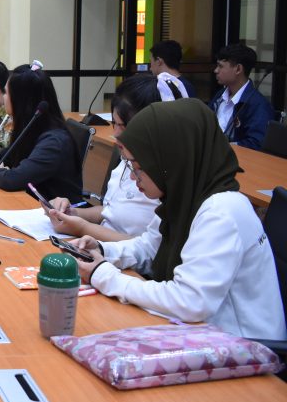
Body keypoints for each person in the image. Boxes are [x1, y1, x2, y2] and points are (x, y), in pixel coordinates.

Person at [71, 98, 286, 340]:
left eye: (139, 167)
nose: (133, 177)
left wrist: (104, 276)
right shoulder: (183, 194)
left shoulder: (222, 212)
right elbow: (149, 247)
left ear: (170, 160)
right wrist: (102, 251)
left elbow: (190, 301)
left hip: (245, 347)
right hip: (202, 335)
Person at [46, 74, 176, 242]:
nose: (115, 134)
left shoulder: (164, 179)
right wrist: (72, 213)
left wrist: (83, 228)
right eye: (114, 123)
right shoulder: (126, 160)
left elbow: (147, 249)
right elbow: (110, 212)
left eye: (123, 125)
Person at [0, 64, 82, 202]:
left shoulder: (54, 141)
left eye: (6, 93)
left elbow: (12, 180)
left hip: (54, 212)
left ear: (21, 99)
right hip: (31, 204)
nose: (3, 97)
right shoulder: (31, 128)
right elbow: (3, 157)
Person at [208, 42, 274, 150]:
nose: (216, 70)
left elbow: (256, 144)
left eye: (220, 66)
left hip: (234, 158)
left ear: (238, 69)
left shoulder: (258, 105)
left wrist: (222, 148)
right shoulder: (220, 95)